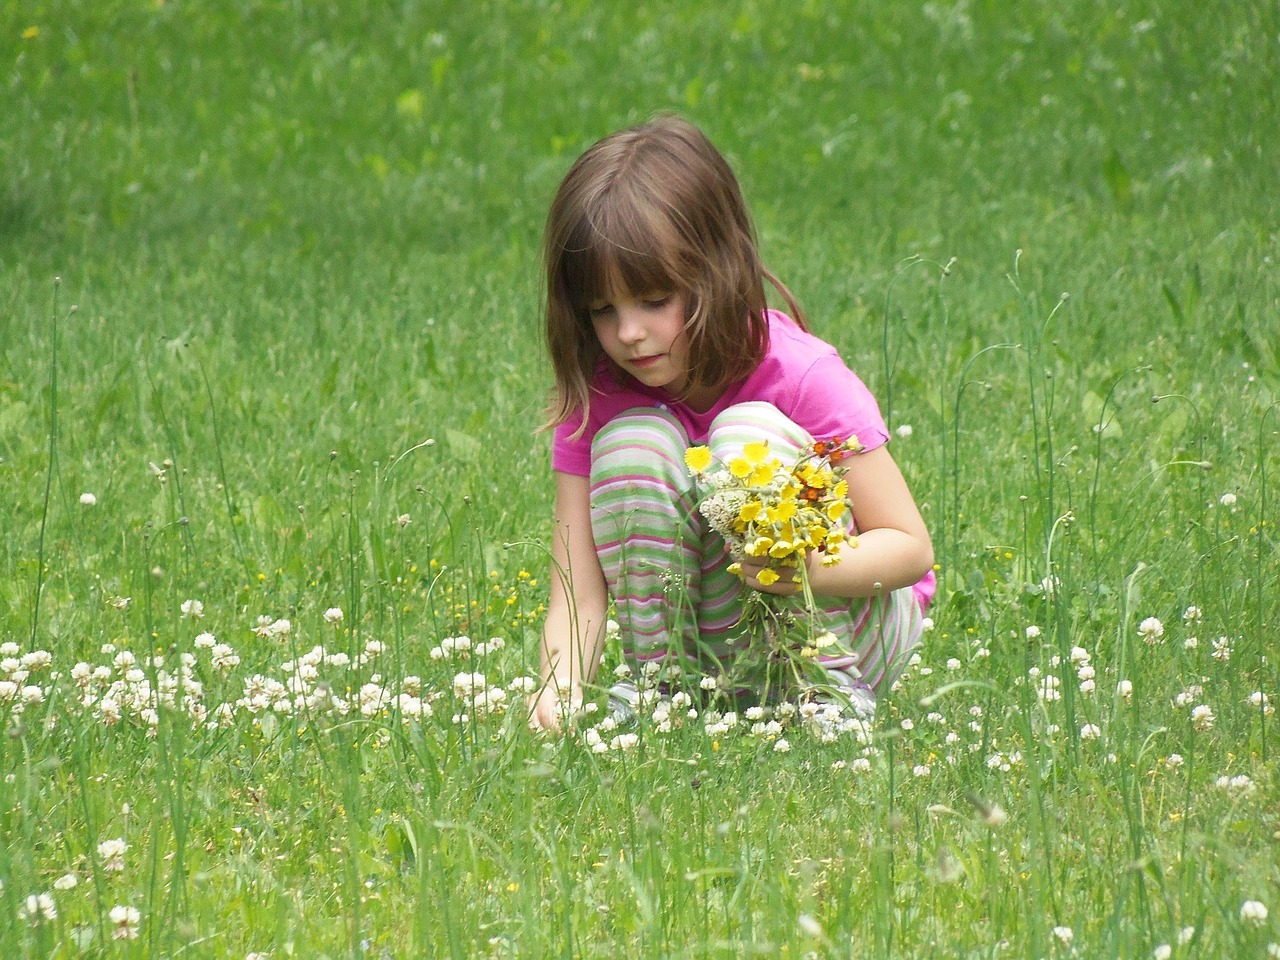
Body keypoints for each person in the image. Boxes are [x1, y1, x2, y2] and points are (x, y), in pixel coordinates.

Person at [530, 115, 935, 731]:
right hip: (719, 650)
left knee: (747, 435)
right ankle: (664, 691)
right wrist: (556, 694)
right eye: (602, 310)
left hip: (853, 624)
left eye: (655, 301)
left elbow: (909, 548)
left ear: (716, 270)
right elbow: (577, 592)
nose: (629, 332)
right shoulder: (599, 397)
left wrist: (803, 569)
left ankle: (825, 695)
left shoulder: (799, 375)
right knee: (633, 444)